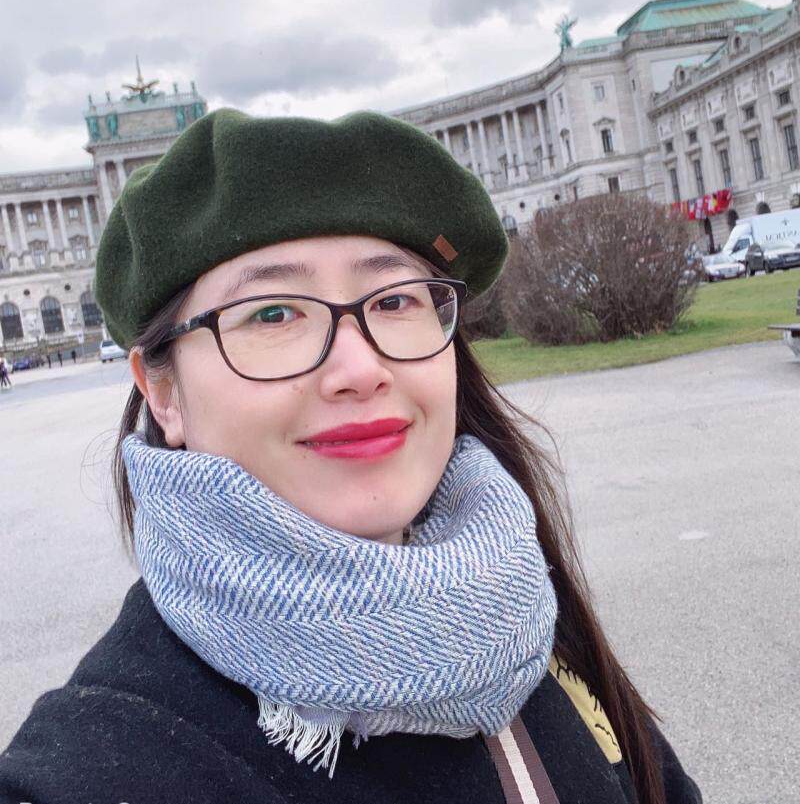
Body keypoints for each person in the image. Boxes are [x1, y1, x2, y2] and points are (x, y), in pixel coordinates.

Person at [0, 109, 701, 803]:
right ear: (162, 391)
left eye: (395, 300)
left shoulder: (522, 602)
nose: (360, 369)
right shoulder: (96, 765)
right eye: (273, 312)